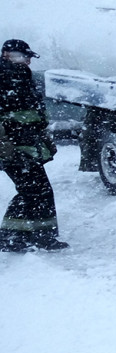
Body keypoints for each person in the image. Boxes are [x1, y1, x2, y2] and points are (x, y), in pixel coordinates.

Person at [0, 39, 68, 252]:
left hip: (26, 145)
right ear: (7, 55)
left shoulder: (20, 75)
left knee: (37, 191)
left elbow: (33, 114)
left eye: (29, 57)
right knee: (34, 190)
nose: (28, 61)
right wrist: (5, 145)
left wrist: (42, 137)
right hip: (12, 147)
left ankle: (27, 236)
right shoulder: (4, 77)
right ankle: (20, 237)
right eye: (23, 56)